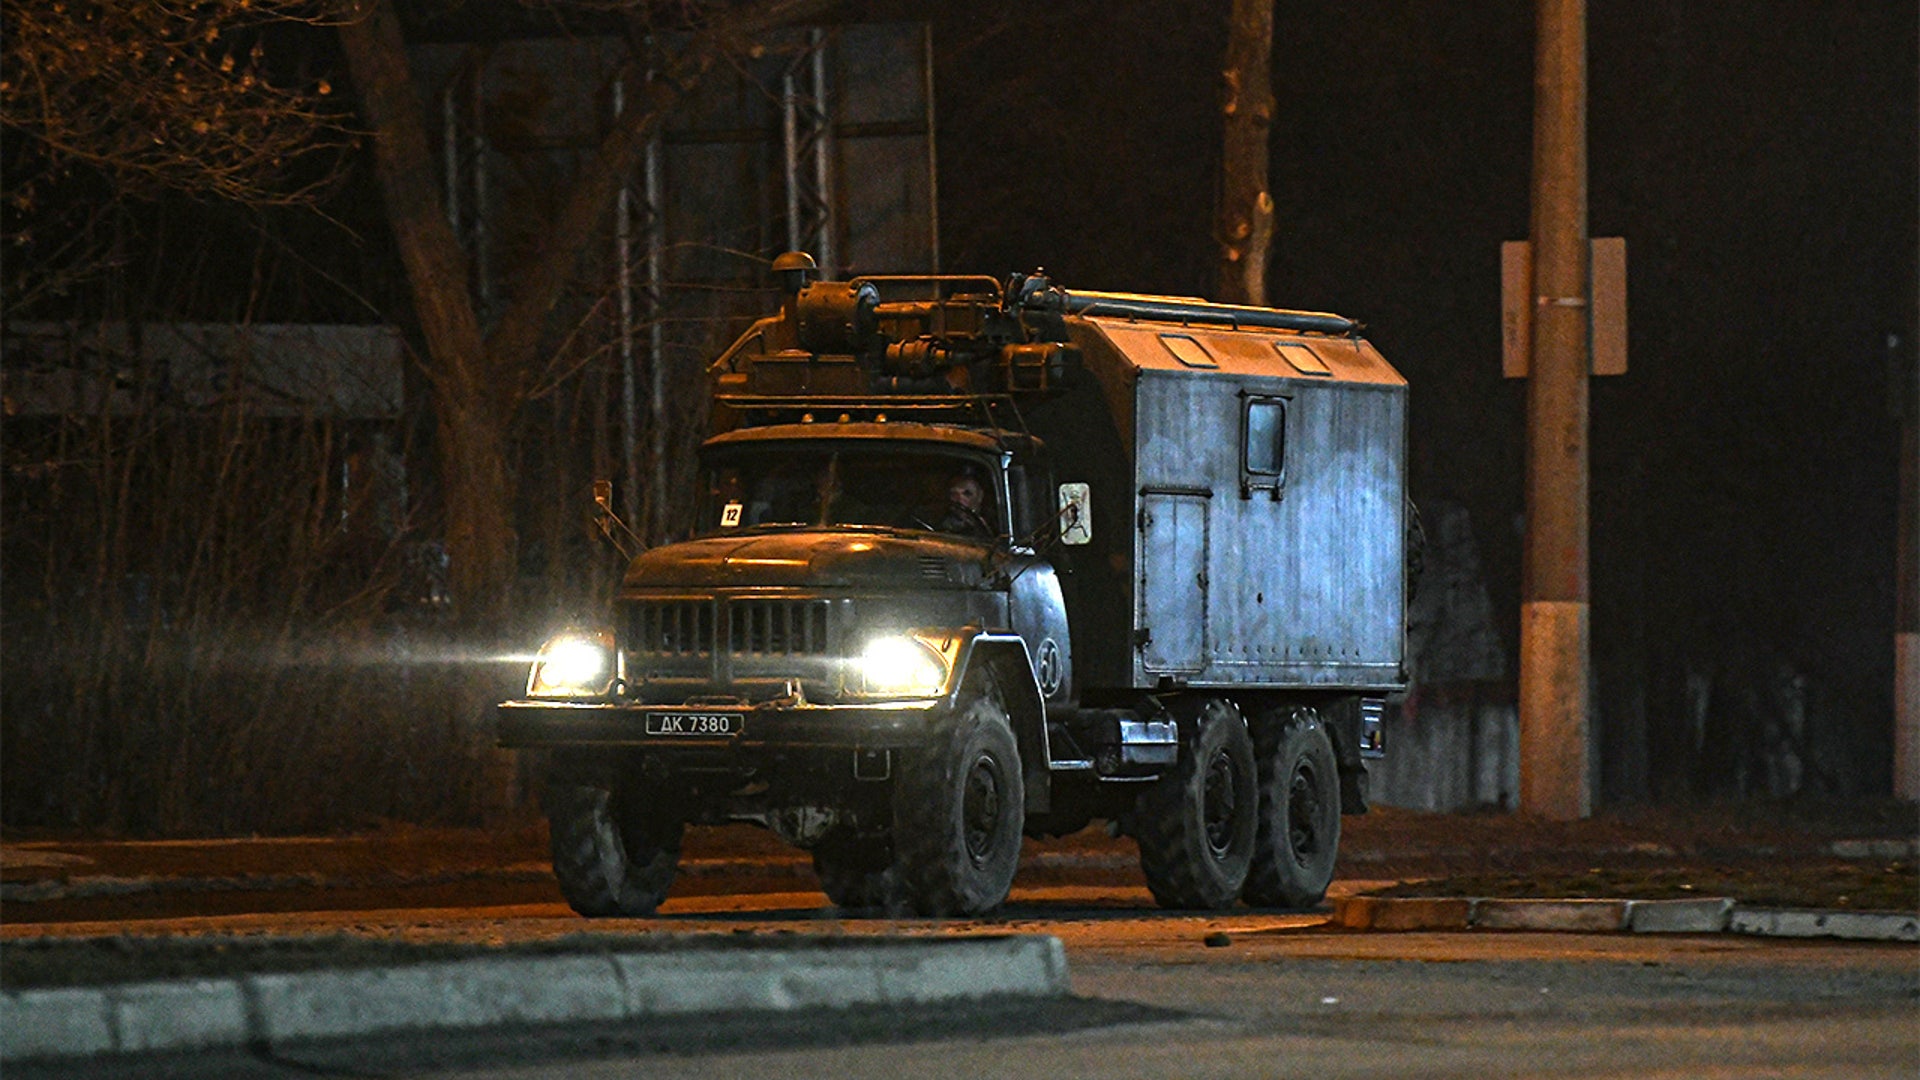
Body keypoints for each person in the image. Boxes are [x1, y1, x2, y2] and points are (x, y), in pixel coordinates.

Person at [939, 468, 994, 537]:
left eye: (967, 494)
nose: (959, 500)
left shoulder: (992, 527)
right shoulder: (939, 522)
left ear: (980, 496)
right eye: (954, 494)